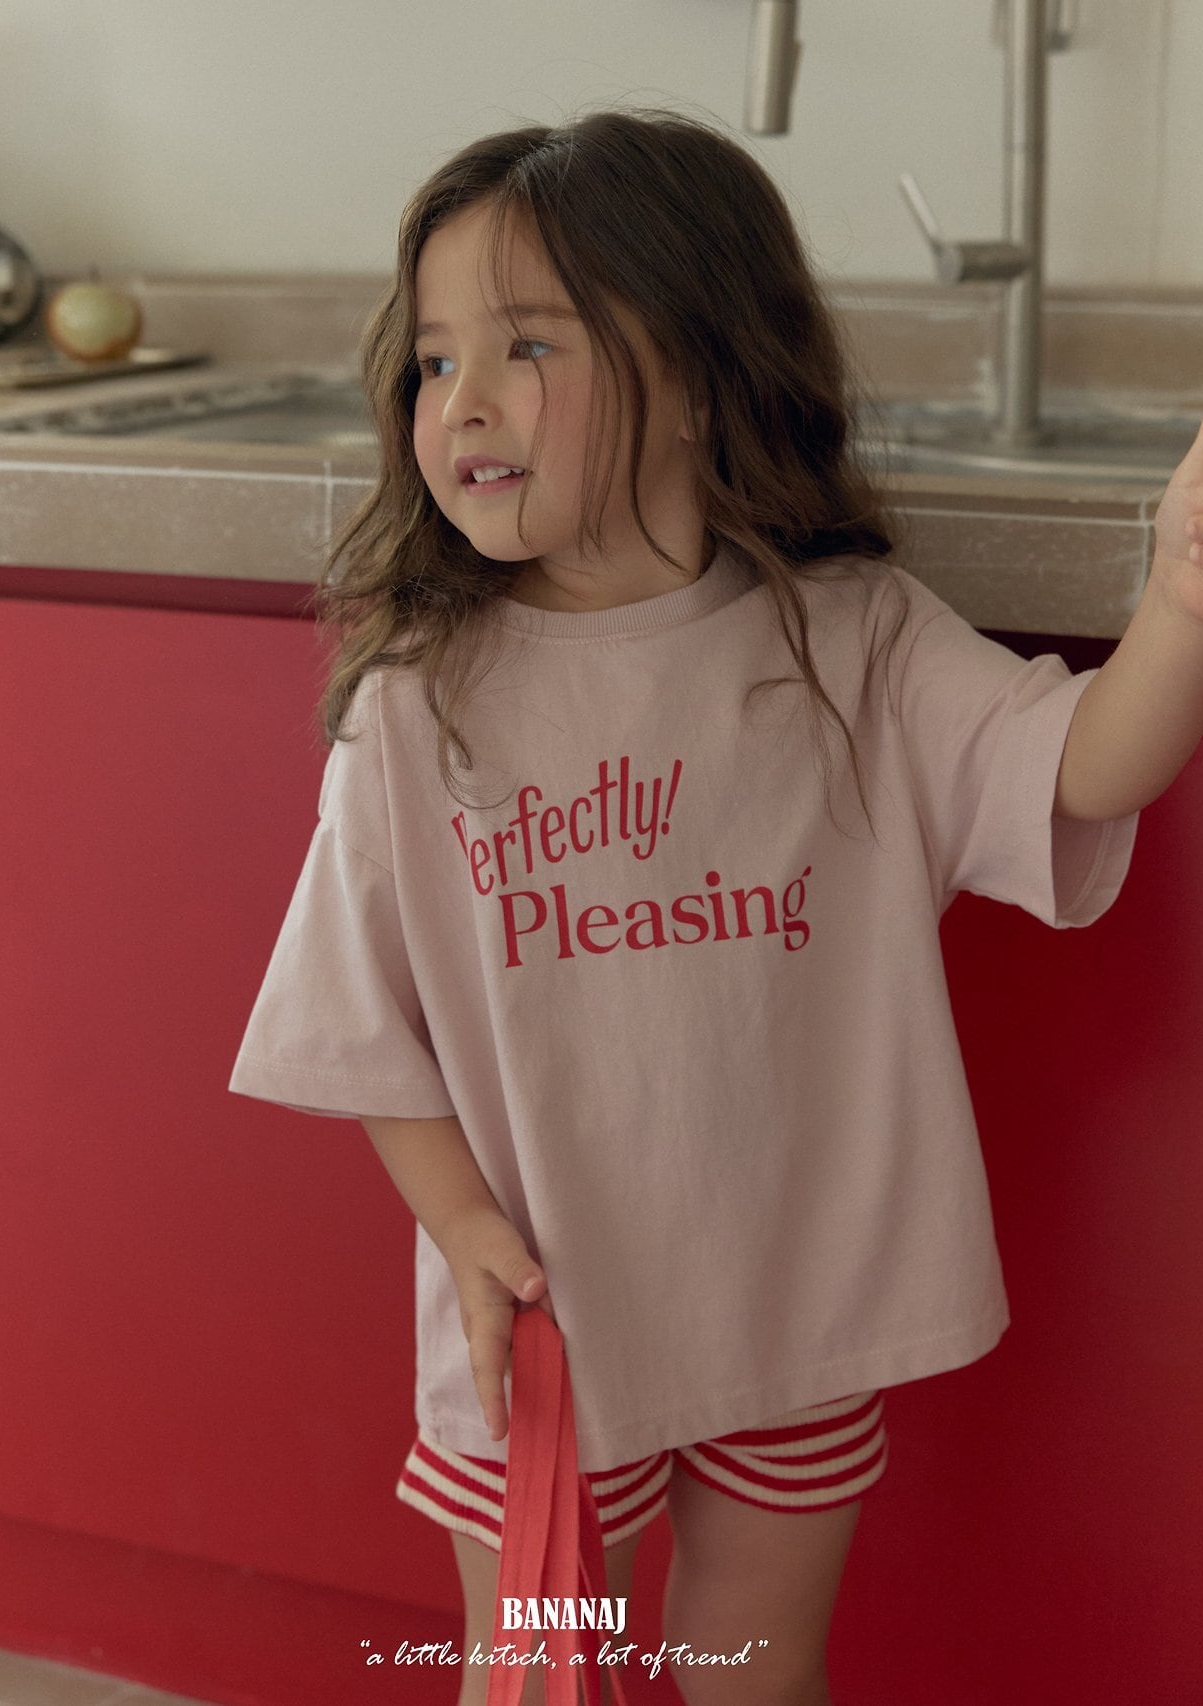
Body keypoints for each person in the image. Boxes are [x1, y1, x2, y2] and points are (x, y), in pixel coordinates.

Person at [228, 106, 1203, 1706]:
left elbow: (1087, 764)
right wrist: (464, 1229)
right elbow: (359, 1028)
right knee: (539, 1681)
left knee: (756, 1665)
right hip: (542, 1322)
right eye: (434, 360)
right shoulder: (418, 705)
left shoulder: (855, 639)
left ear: (698, 376)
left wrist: (1180, 591)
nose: (462, 400)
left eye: (527, 344)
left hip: (798, 1302)